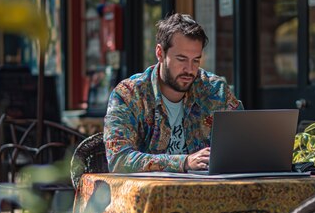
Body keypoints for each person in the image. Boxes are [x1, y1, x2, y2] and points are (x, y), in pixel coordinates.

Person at [104, 13, 243, 173]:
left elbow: (242, 145)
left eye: (196, 60)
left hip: (209, 192)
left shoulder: (215, 91)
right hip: (151, 195)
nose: (190, 69)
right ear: (160, 53)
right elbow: (118, 160)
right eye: (181, 59)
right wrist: (184, 162)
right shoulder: (128, 95)